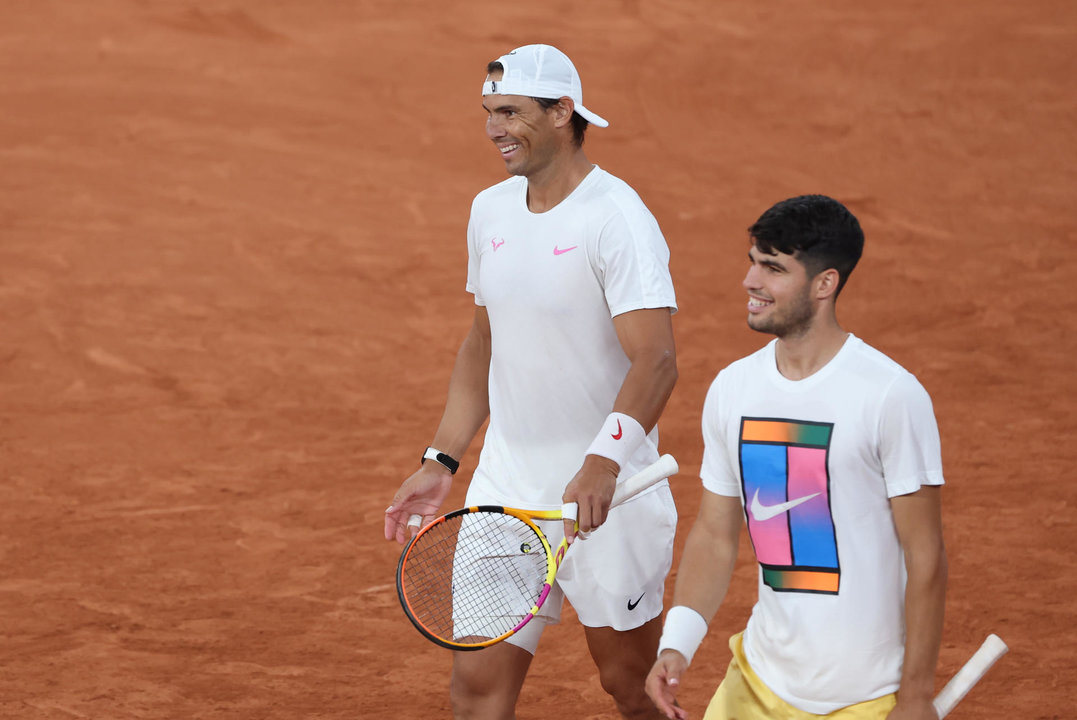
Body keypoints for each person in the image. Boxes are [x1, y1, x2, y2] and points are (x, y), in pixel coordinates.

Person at [384, 43, 679, 720]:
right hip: (506, 495)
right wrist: (441, 459)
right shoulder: (490, 210)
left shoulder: (617, 220)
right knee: (476, 695)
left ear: (562, 111)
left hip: (610, 498)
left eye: (510, 111)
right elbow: (484, 342)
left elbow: (655, 359)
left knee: (630, 688)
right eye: (489, 112)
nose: (494, 128)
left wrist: (602, 461)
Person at [645, 195, 948, 720]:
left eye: (773, 268)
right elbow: (716, 533)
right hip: (757, 683)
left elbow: (925, 557)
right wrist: (678, 643)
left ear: (824, 284)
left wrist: (917, 695)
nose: (750, 281)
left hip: (863, 698)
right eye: (753, 260)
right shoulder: (733, 389)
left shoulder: (889, 397)